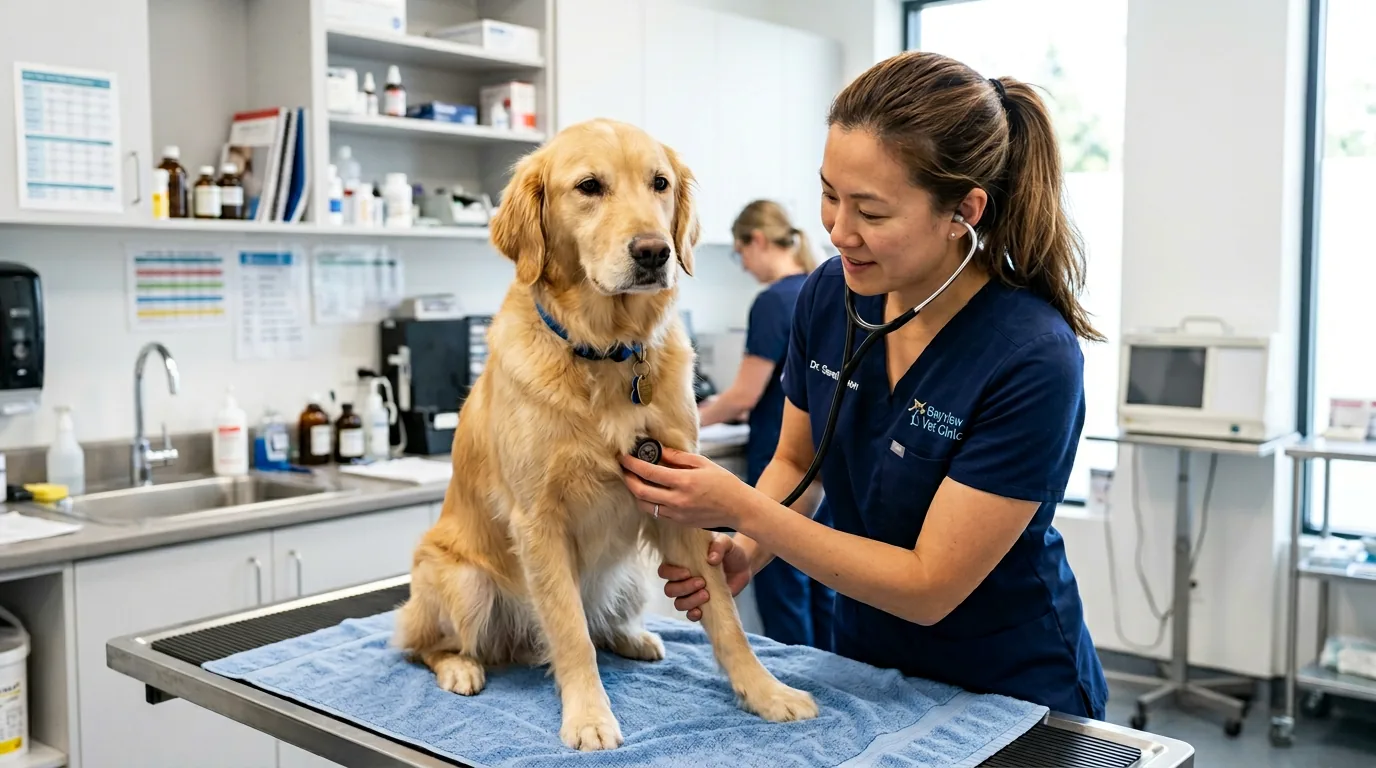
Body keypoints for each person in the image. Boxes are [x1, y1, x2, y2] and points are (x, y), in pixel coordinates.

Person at [621, 50, 1110, 719]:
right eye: (829, 194)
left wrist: (741, 508)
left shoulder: (1032, 357)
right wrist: (746, 551)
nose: (837, 231)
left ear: (963, 211)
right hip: (865, 668)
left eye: (871, 213)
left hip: (1008, 686)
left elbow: (929, 586)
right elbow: (797, 463)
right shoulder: (829, 295)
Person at [697, 200, 835, 650]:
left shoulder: (774, 301)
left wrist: (689, 419)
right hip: (826, 464)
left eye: (740, 254)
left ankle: (788, 680)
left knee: (784, 591)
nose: (744, 266)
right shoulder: (823, 289)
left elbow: (743, 395)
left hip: (782, 459)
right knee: (824, 586)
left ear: (756, 241)